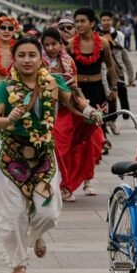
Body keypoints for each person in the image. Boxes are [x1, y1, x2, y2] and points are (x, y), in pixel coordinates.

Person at [0, 36, 98, 273]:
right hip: (11, 157)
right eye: (22, 55)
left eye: (32, 55)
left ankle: (36, 235)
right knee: (12, 215)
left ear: (41, 58)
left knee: (47, 213)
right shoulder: (5, 88)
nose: (27, 60)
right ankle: (18, 261)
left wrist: (90, 111)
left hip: (43, 156)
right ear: (14, 60)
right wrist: (9, 119)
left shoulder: (53, 82)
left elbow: (74, 102)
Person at [40, 28, 102, 203]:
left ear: (61, 44)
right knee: (55, 149)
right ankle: (54, 184)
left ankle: (66, 185)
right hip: (44, 110)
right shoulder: (36, 61)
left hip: (66, 110)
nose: (51, 48)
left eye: (54, 44)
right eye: (46, 45)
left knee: (67, 148)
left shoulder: (68, 62)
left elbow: (73, 87)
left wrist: (86, 107)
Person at [68, 7, 116, 193]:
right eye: (76, 21)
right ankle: (71, 181)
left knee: (94, 138)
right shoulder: (70, 44)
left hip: (97, 93)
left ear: (92, 23)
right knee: (76, 138)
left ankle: (88, 181)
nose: (79, 25)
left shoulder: (103, 43)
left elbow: (111, 68)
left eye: (82, 21)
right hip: (78, 94)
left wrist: (113, 89)